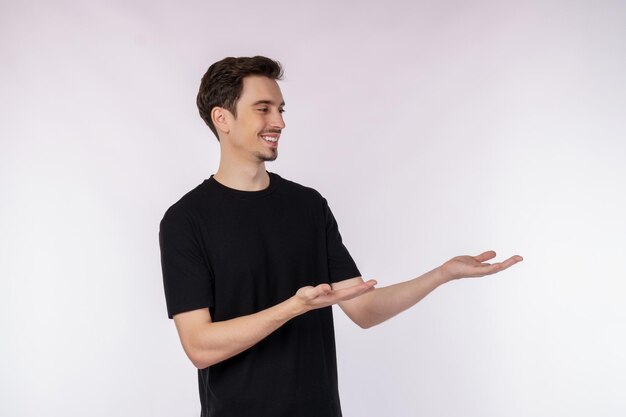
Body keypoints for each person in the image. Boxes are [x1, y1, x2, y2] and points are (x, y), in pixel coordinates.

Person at [159, 56, 523, 417]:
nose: (280, 122)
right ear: (222, 118)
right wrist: (295, 306)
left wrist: (442, 274)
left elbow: (363, 309)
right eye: (263, 109)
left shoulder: (307, 206)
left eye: (281, 109)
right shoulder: (185, 221)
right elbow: (199, 347)